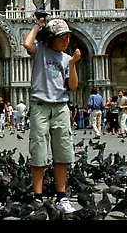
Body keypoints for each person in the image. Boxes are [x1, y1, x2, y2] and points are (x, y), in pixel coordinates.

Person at [22, 17, 81, 214]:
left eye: (67, 37)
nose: (65, 41)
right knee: (38, 150)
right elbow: (26, 43)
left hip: (61, 107)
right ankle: (37, 198)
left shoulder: (66, 59)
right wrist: (38, 24)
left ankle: (62, 197)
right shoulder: (40, 51)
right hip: (40, 105)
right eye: (61, 37)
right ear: (51, 38)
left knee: (62, 151)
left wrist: (72, 64)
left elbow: (72, 86)